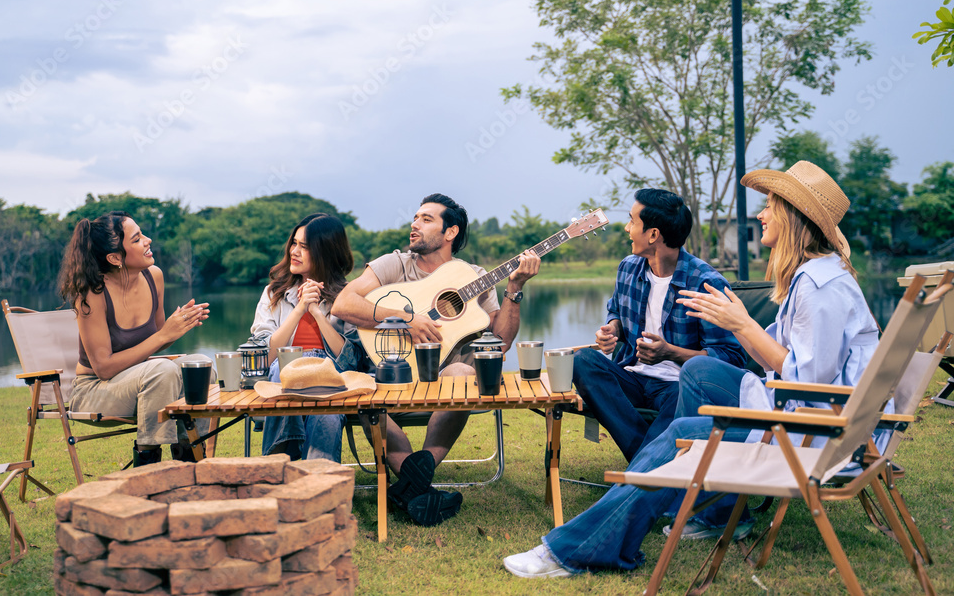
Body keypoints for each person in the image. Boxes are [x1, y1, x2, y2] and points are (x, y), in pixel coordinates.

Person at [503, 161, 880, 577]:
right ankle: (706, 507)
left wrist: (741, 325)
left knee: (685, 433)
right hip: (811, 419)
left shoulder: (817, 287)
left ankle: (578, 548)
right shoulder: (817, 277)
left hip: (813, 434)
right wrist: (614, 330)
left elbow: (805, 383)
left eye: (770, 206)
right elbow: (798, 372)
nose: (761, 214)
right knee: (698, 376)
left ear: (793, 218)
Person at [332, 193, 540, 526]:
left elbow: (498, 345)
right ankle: (421, 488)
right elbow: (342, 305)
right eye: (415, 218)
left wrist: (513, 288)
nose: (414, 224)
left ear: (450, 232)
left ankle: (413, 483)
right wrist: (405, 319)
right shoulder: (393, 264)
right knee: (365, 393)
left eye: (426, 219)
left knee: (461, 370)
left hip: (446, 387)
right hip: (390, 377)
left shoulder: (472, 276)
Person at [573, 188, 746, 462]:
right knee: (583, 360)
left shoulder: (706, 283)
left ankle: (643, 470)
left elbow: (730, 359)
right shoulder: (628, 268)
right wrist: (613, 330)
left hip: (677, 387)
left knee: (680, 394)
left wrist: (670, 353)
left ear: (653, 235)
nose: (627, 229)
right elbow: (615, 311)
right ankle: (651, 463)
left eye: (632, 222)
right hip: (632, 376)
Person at [59, 211, 211, 467]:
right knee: (161, 370)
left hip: (143, 380)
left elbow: (157, 342)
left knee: (198, 364)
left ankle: (190, 457)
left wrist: (175, 329)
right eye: (138, 238)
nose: (148, 240)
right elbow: (103, 368)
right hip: (94, 389)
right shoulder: (92, 294)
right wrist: (163, 335)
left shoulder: (154, 277)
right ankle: (148, 466)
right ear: (115, 257)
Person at [249, 213, 361, 462]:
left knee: (328, 411)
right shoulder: (273, 294)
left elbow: (351, 362)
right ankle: (291, 466)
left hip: (331, 383)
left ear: (326, 252)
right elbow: (264, 357)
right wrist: (299, 308)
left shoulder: (348, 297)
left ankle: (302, 477)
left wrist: (317, 313)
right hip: (282, 379)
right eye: (294, 243)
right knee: (283, 367)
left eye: (304, 246)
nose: (293, 251)